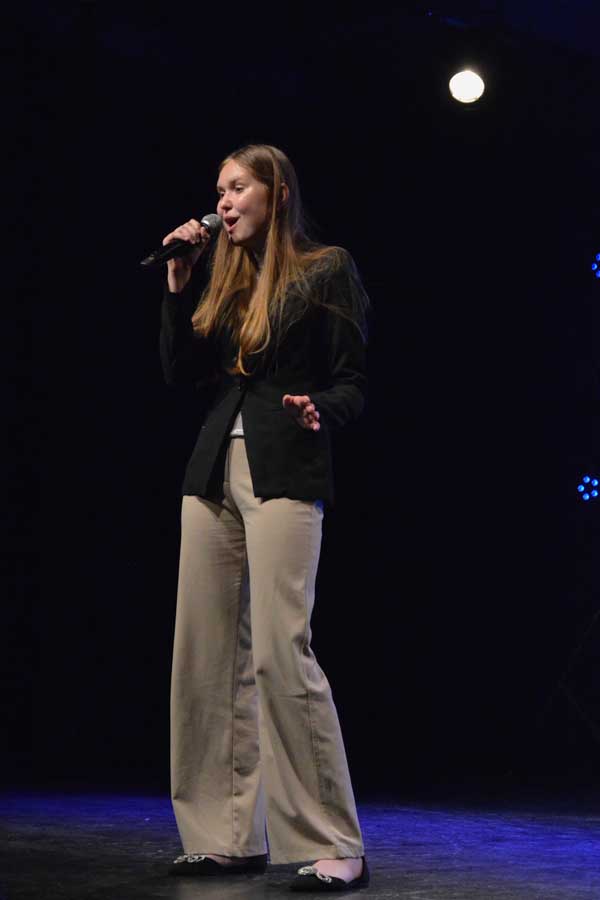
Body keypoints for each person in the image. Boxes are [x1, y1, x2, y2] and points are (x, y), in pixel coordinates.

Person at [159, 144, 370, 892]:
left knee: (281, 649)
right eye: (218, 189)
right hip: (212, 470)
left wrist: (321, 409)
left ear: (276, 192)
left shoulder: (324, 268)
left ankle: (333, 840)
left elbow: (352, 380)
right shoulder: (223, 279)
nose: (222, 200)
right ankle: (223, 835)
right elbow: (181, 375)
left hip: (285, 466)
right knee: (206, 655)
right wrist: (179, 283)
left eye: (237, 186)